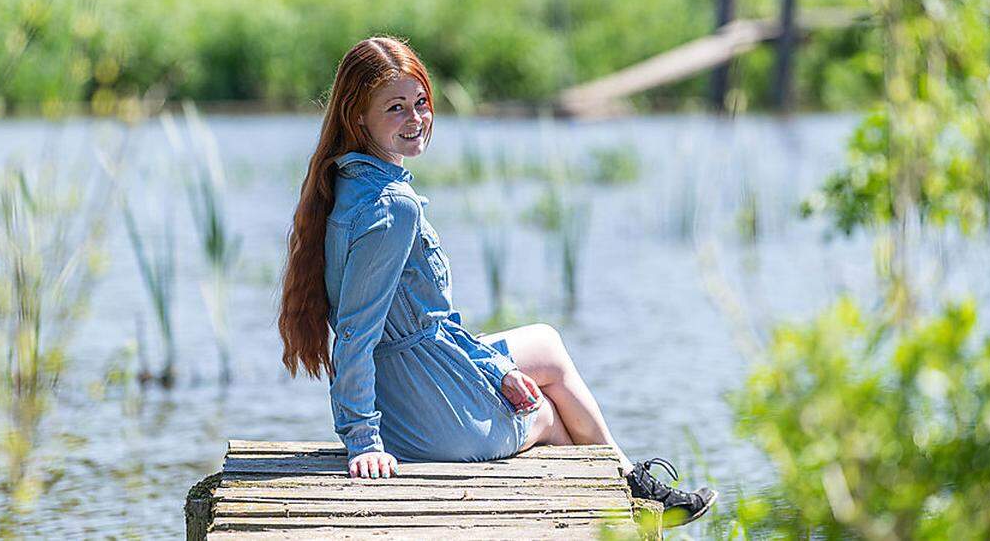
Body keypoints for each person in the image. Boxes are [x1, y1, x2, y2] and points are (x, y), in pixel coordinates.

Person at [278, 36, 717, 525]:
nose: (415, 119)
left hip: (409, 383)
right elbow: (357, 332)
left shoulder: (350, 180)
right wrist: (362, 439)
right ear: (357, 118)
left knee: (545, 347)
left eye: (420, 102)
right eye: (395, 108)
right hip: (420, 412)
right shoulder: (391, 208)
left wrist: (495, 371)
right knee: (549, 410)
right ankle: (631, 501)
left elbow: (424, 324)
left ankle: (635, 495)